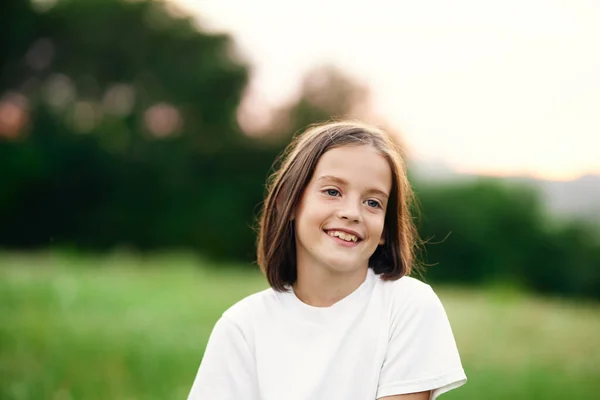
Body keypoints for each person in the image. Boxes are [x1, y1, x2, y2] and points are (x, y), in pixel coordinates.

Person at [187, 120, 467, 400]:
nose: (351, 213)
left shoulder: (408, 307)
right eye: (333, 192)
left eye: (373, 203)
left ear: (385, 229)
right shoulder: (242, 327)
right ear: (290, 201)